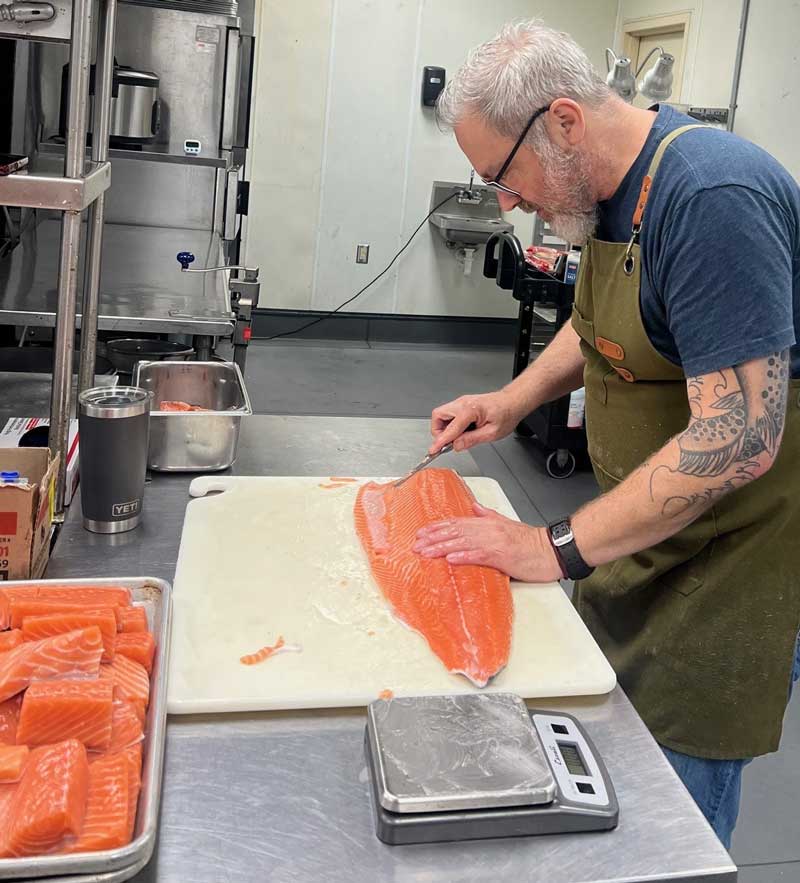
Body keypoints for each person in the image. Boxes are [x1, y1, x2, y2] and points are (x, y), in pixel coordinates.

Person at [413, 19, 800, 849]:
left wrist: (551, 545)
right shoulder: (609, 190)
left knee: (665, 826)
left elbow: (741, 437)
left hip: (731, 564)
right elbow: (597, 327)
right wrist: (511, 400)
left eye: (501, 177)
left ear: (561, 121)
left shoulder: (710, 197)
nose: (508, 204)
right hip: (652, 539)